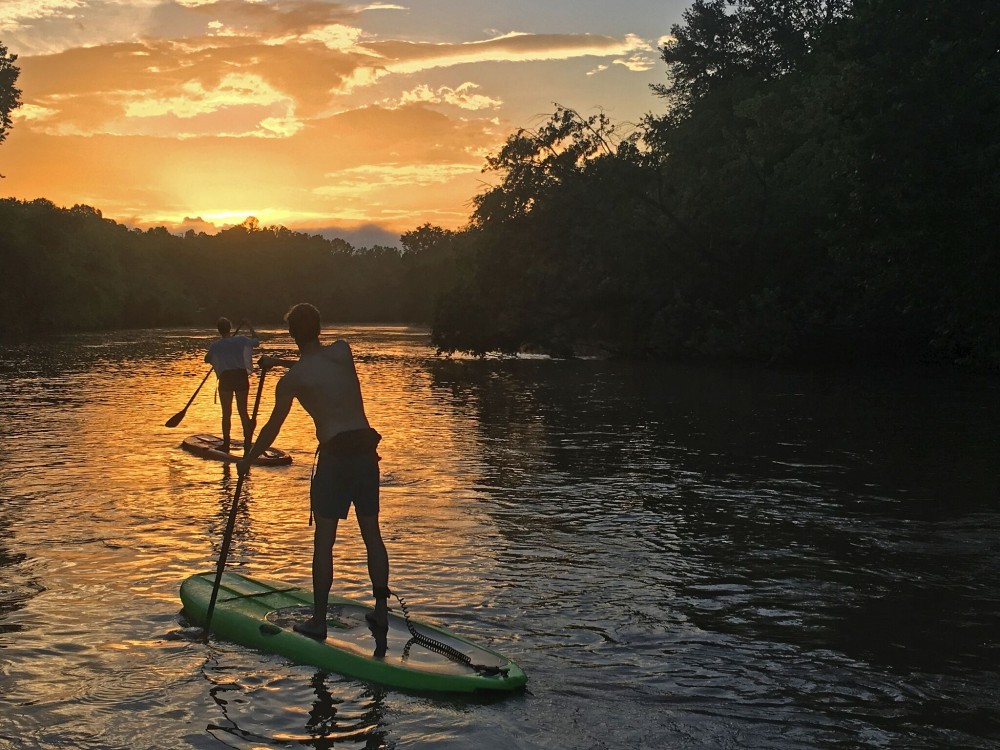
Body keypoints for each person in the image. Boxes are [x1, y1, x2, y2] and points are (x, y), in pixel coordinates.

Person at [236, 303, 390, 641]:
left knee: (324, 541)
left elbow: (271, 430)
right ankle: (380, 611)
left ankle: (318, 621)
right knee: (372, 534)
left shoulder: (293, 381)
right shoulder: (342, 352)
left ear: (292, 335)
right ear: (320, 327)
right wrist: (278, 363)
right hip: (366, 450)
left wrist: (248, 458)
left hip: (336, 457)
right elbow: (321, 367)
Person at [204, 317, 259, 454]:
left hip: (226, 378)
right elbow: (256, 342)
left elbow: (207, 359)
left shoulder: (216, 346)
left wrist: (218, 356)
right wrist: (250, 326)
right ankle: (247, 443)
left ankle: (226, 443)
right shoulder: (241, 340)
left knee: (226, 413)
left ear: (219, 330)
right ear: (230, 328)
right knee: (243, 412)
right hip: (240, 377)